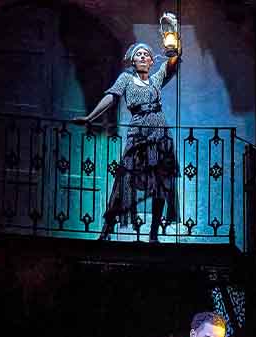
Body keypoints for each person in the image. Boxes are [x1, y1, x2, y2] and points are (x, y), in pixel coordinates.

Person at [74, 13, 181, 242]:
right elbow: (111, 98)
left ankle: (153, 234)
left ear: (152, 62)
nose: (143, 57)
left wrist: (172, 34)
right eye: (139, 54)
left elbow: (172, 61)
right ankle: (107, 229)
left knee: (161, 184)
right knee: (124, 182)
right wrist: (90, 117)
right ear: (133, 60)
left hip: (160, 134)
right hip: (138, 134)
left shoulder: (155, 79)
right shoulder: (125, 79)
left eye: (147, 55)